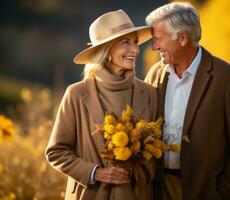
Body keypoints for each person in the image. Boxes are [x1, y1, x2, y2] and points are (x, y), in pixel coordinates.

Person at [144, 2, 230, 200]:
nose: (154, 46)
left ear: (182, 38)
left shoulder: (227, 80)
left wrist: (223, 193)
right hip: (158, 189)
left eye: (159, 38)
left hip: (204, 192)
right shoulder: (155, 73)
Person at [45, 9, 157, 200]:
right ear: (106, 51)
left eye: (136, 42)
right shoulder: (76, 94)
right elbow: (56, 151)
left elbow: (155, 153)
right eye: (125, 43)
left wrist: (138, 170)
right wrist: (95, 172)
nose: (135, 50)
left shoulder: (149, 93)